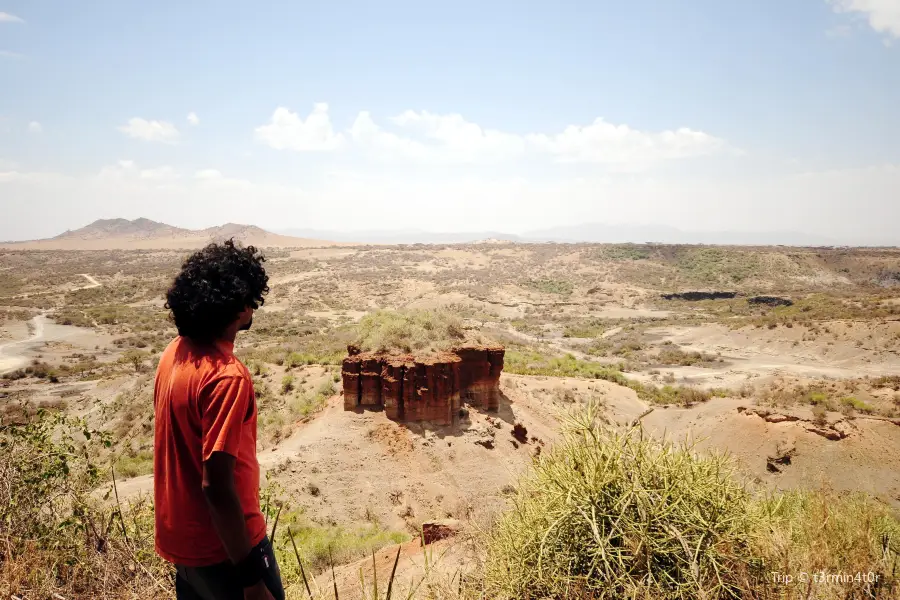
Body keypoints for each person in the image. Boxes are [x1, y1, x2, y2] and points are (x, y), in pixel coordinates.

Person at [153, 239, 283, 600]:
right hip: (225, 551)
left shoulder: (174, 353)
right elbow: (217, 485)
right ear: (242, 305)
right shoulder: (227, 376)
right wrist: (251, 580)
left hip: (183, 544)